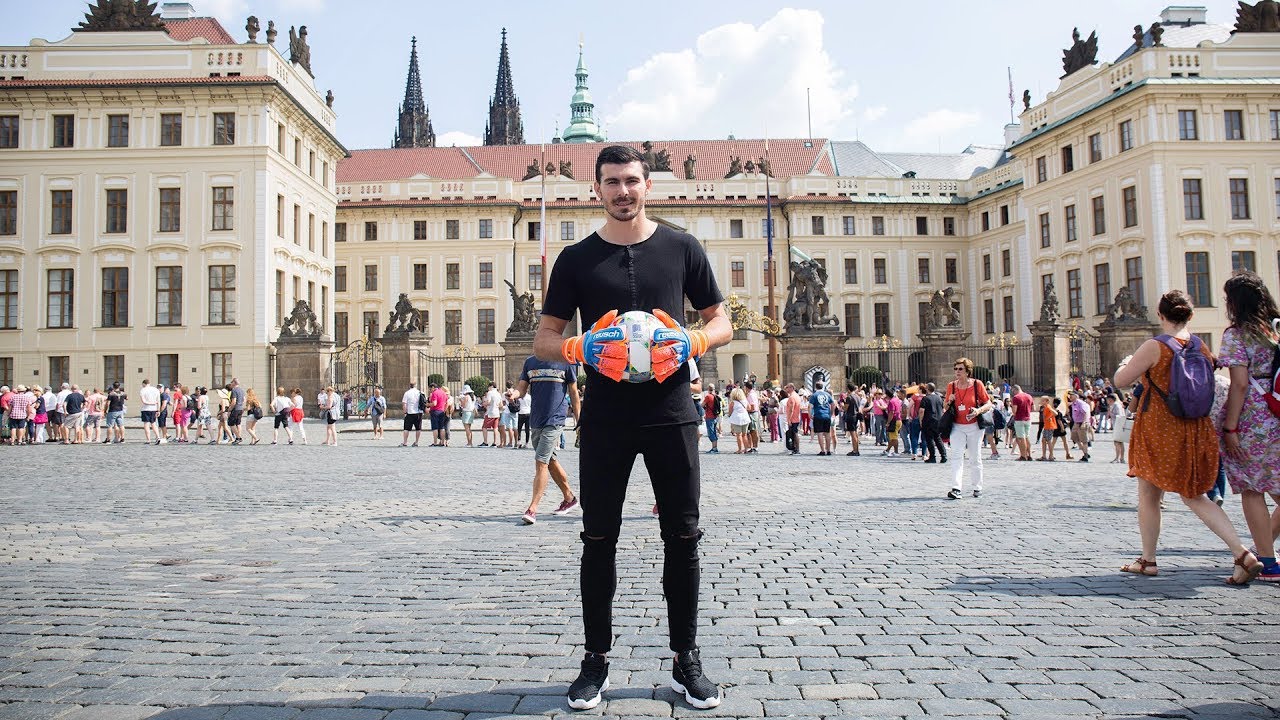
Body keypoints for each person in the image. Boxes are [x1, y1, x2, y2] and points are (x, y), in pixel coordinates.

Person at [533, 145, 730, 710]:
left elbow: (722, 321)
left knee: (683, 538)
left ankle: (686, 659)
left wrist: (695, 340)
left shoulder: (682, 247)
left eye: (632, 181)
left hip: (672, 412)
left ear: (648, 186)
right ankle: (595, 661)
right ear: (597, 189)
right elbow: (544, 338)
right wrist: (577, 347)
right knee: (598, 540)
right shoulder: (576, 259)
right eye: (612, 182)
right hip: (607, 418)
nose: (623, 191)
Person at [1114, 289, 1260, 584]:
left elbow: (1121, 380)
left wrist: (1124, 364)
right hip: (1194, 427)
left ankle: (1241, 553)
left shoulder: (1155, 346)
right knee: (1191, 493)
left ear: (1160, 315)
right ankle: (1148, 559)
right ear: (1190, 315)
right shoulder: (1200, 345)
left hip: (1159, 428)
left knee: (1153, 495)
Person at [1217, 271, 1280, 582]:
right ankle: (1263, 549)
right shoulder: (1276, 329)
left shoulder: (1238, 334)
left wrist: (1231, 428)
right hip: (1278, 409)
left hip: (1254, 417)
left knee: (1253, 489)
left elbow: (1240, 384)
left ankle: (1267, 562)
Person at [514, 355, 582, 524]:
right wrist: (513, 394)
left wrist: (579, 420)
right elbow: (522, 388)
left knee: (541, 461)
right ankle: (569, 498)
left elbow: (574, 392)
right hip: (536, 420)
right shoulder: (530, 362)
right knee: (550, 461)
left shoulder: (566, 362)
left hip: (555, 419)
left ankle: (532, 509)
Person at [944, 358, 993, 499]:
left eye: (960, 369)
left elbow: (988, 404)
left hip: (974, 426)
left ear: (967, 371)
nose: (957, 371)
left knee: (975, 457)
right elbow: (945, 407)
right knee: (956, 456)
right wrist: (950, 400)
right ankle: (956, 488)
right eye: (955, 369)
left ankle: (977, 487)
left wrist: (978, 411)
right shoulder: (951, 386)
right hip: (957, 426)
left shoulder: (977, 384)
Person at [920, 383, 945, 463]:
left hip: (928, 421)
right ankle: (943, 456)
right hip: (938, 420)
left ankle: (932, 457)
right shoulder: (939, 398)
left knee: (929, 439)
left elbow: (921, 410)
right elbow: (943, 409)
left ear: (927, 389)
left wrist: (920, 420)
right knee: (938, 439)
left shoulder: (926, 398)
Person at [809, 381, 835, 456]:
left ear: (815, 387)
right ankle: (828, 450)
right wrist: (831, 413)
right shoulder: (827, 394)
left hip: (818, 415)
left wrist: (810, 414)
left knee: (820, 433)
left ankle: (823, 450)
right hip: (827, 415)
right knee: (827, 433)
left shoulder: (814, 395)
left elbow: (810, 406)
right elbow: (833, 404)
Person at [1009, 385, 1034, 461]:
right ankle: (1029, 455)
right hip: (1028, 419)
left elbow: (1014, 411)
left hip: (1019, 419)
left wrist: (1011, 406)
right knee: (1027, 437)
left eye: (1013, 391)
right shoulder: (1029, 396)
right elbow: (1033, 408)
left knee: (1021, 438)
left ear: (1015, 390)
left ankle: (1023, 456)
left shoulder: (1016, 398)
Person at [1067, 390, 1092, 462]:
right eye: (1069, 395)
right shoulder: (1073, 404)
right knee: (1074, 438)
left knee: (1084, 440)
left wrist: (1084, 423)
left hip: (1082, 423)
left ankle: (1085, 456)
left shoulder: (1080, 403)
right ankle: (1085, 452)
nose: (1070, 396)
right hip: (1076, 423)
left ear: (1076, 396)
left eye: (1071, 395)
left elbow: (1085, 413)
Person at [1108, 392, 1129, 463]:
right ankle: (1121, 458)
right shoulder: (1115, 405)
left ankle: (1118, 458)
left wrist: (1112, 414)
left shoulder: (1116, 405)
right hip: (1117, 425)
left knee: (1117, 442)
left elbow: (1120, 416)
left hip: (1118, 425)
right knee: (1119, 442)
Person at [402, 381, 424, 447]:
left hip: (410, 412)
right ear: (416, 385)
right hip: (418, 412)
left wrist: (405, 412)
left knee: (406, 428)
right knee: (418, 428)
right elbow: (423, 402)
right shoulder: (420, 392)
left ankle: (405, 442)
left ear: (409, 385)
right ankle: (416, 442)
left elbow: (404, 404)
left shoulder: (407, 393)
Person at [701, 385, 721, 454]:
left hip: (709, 416)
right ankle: (715, 447)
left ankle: (714, 448)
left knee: (711, 432)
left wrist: (705, 408)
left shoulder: (708, 396)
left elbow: (702, 405)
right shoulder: (716, 396)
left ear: (708, 389)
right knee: (714, 432)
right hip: (715, 416)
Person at [481, 382, 502, 447]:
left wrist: (484, 404)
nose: (488, 388)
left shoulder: (490, 393)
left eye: (489, 386)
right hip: (497, 413)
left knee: (484, 427)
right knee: (495, 428)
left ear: (491, 386)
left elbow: (489, 402)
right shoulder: (498, 393)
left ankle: (485, 442)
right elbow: (501, 405)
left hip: (490, 412)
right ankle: (495, 442)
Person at [228, 378, 246, 444]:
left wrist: (229, 409)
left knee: (231, 423)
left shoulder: (234, 390)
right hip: (240, 408)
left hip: (235, 409)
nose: (231, 383)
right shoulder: (241, 390)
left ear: (234, 383)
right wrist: (240, 404)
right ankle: (238, 437)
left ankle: (238, 437)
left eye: (232, 382)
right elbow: (244, 399)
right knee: (238, 423)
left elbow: (234, 401)